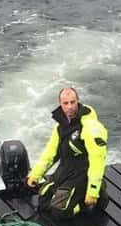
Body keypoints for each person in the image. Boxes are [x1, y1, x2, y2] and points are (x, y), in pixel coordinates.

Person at [25, 86, 108, 218]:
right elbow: (50, 152)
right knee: (43, 203)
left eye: (72, 102)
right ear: (60, 104)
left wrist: (93, 189)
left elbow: (98, 158)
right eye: (65, 103)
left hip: (83, 172)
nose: (70, 107)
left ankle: (95, 196)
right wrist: (35, 175)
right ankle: (82, 195)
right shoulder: (61, 126)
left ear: (78, 101)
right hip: (66, 169)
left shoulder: (90, 126)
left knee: (60, 212)